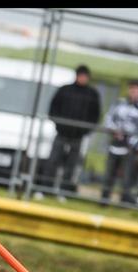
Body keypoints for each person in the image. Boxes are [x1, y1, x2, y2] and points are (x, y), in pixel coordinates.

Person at [38, 64, 101, 201]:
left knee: (71, 166)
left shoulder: (92, 94)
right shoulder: (65, 90)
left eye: (85, 76)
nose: (82, 78)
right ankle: (44, 190)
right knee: (52, 162)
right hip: (61, 134)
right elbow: (53, 109)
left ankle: (64, 192)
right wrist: (59, 125)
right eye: (80, 75)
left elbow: (95, 116)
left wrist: (85, 131)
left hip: (78, 137)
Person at [100, 80, 138, 205]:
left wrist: (134, 143)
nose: (134, 93)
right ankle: (104, 199)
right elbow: (108, 118)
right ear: (128, 90)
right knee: (109, 173)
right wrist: (114, 130)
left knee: (127, 176)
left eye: (137, 90)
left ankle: (124, 202)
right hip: (115, 143)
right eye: (132, 90)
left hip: (131, 147)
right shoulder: (119, 103)